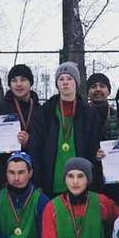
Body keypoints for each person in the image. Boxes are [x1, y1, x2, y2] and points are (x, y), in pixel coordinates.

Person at [29, 63, 101, 195]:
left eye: (69, 78)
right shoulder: (44, 112)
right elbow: (35, 148)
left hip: (80, 181)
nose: (65, 82)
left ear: (76, 83)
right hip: (51, 180)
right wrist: (37, 180)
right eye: (61, 79)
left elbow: (93, 147)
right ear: (57, 84)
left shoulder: (89, 113)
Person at [4, 64, 40, 150]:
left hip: (34, 160)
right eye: (14, 80)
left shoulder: (40, 111)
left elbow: (46, 141)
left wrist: (30, 141)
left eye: (23, 80)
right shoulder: (0, 110)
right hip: (7, 161)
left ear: (30, 83)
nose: (18, 84)